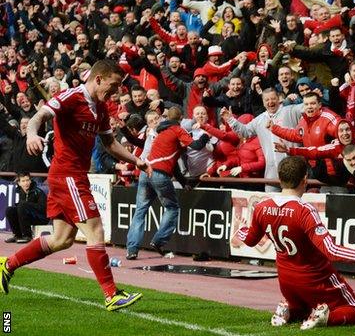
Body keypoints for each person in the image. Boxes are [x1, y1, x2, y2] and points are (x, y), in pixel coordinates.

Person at [0, 60, 152, 311]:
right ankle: (111, 294)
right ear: (99, 79)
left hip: (72, 175)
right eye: (113, 86)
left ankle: (7, 265)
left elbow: (109, 144)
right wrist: (31, 133)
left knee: (61, 239)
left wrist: (137, 160)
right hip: (67, 175)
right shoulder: (71, 96)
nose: (115, 92)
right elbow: (41, 115)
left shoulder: (101, 109)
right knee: (95, 230)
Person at [236, 156, 355, 329]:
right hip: (314, 279)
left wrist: (239, 230)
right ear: (305, 180)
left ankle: (291, 310)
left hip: (286, 281)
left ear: (280, 179)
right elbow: (331, 250)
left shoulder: (262, 207)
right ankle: (322, 318)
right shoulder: (304, 210)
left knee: (305, 308)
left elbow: (249, 240)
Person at [126, 106, 212, 260]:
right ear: (180, 119)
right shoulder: (177, 130)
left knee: (140, 211)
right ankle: (158, 241)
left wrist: (183, 182)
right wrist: (205, 136)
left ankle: (132, 249)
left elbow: (172, 165)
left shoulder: (161, 133)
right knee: (172, 208)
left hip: (146, 172)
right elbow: (196, 146)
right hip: (159, 174)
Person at [4, 172, 48, 244]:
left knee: (22, 205)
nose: (26, 183)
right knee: (10, 210)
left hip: (41, 218)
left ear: (30, 181)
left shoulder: (38, 192)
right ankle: (18, 235)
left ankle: (27, 236)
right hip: (28, 217)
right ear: (19, 183)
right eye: (23, 181)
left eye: (27, 180)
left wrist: (27, 205)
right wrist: (24, 206)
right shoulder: (21, 192)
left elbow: (43, 209)